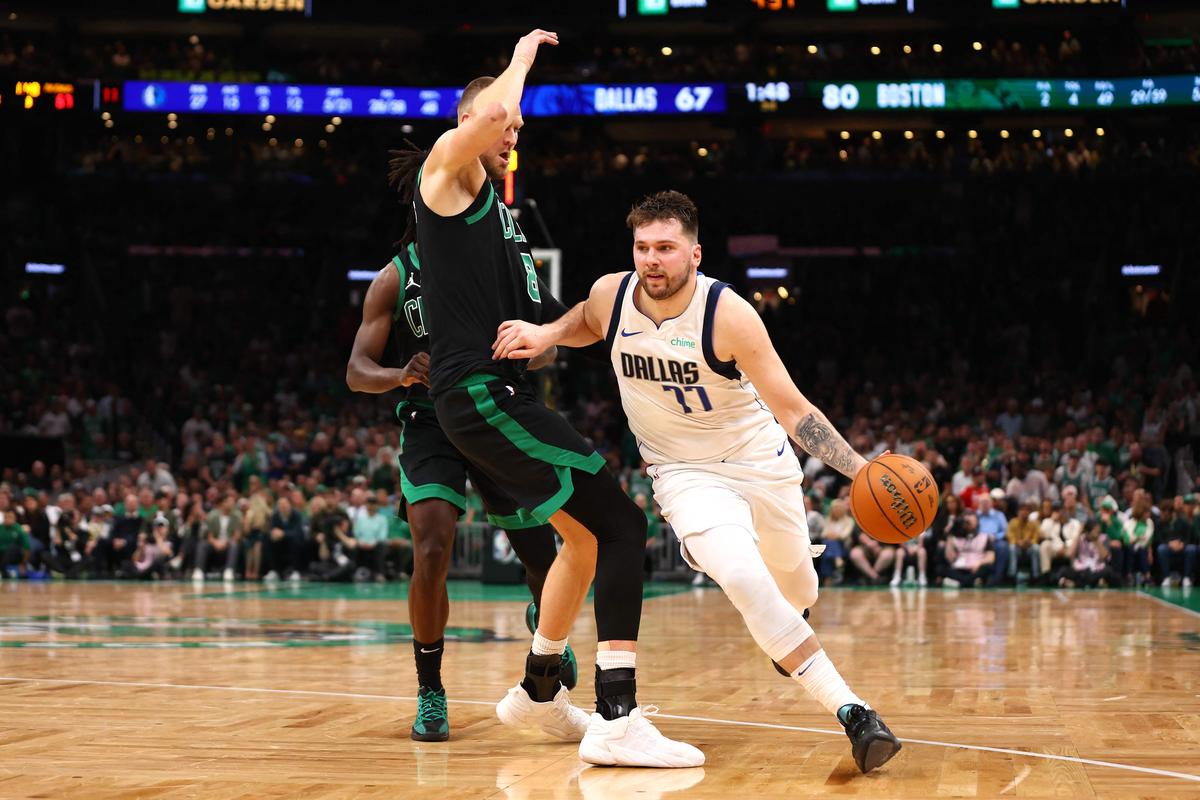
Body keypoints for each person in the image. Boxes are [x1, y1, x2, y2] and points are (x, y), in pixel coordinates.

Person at [492, 190, 901, 773]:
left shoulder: (728, 314)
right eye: (642, 247)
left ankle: (790, 620)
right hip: (683, 474)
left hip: (760, 463)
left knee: (797, 592)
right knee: (739, 575)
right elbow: (585, 319)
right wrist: (548, 332)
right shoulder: (614, 294)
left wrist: (861, 469)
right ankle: (855, 713)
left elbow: (792, 409)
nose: (652, 260)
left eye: (665, 248)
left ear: (694, 254)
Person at [394, 31, 699, 766]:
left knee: (588, 541)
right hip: (473, 397)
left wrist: (549, 334)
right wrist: (525, 53)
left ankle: (536, 693)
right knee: (626, 526)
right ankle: (619, 719)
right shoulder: (444, 181)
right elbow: (495, 111)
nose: (515, 129)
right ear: (470, 124)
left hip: (495, 397)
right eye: (504, 121)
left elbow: (559, 330)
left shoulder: (505, 225)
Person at [347, 194, 577, 744]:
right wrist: (401, 373)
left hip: (494, 408)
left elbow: (551, 341)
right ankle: (430, 688)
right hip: (430, 422)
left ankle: (549, 630)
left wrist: (524, 348)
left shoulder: (495, 267)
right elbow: (357, 372)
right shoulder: (394, 278)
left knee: (542, 558)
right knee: (430, 549)